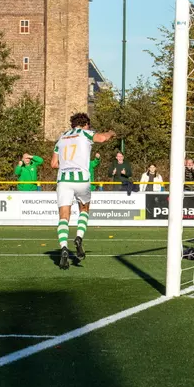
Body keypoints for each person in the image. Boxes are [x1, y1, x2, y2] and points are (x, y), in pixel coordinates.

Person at [51, 113, 115, 270]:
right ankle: (79, 237)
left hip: (64, 180)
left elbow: (53, 163)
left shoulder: (61, 137)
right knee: (84, 209)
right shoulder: (85, 133)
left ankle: (64, 247)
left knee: (64, 216)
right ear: (85, 124)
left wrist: (68, 166)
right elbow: (101, 138)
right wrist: (111, 133)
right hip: (81, 180)